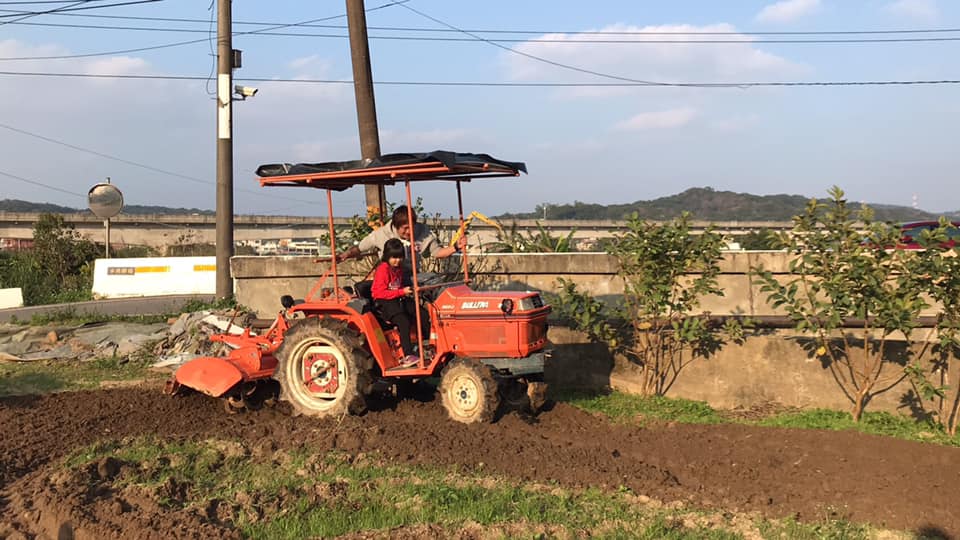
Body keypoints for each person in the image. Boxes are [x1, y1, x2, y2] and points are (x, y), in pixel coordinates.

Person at [337, 205, 466, 271]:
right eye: (405, 228)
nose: (409, 232)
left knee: (436, 285)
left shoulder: (423, 232)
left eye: (412, 226)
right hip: (391, 278)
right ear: (395, 226)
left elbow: (437, 252)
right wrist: (346, 254)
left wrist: (455, 247)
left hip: (413, 275)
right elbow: (359, 248)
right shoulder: (381, 235)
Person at [371, 238, 430, 367]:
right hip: (384, 302)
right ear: (387, 256)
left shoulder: (399, 269)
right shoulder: (383, 270)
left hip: (397, 298)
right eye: (394, 257)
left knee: (422, 313)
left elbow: (400, 287)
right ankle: (408, 355)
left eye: (400, 257)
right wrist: (401, 292)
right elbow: (378, 293)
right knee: (403, 321)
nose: (397, 260)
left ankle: (428, 345)